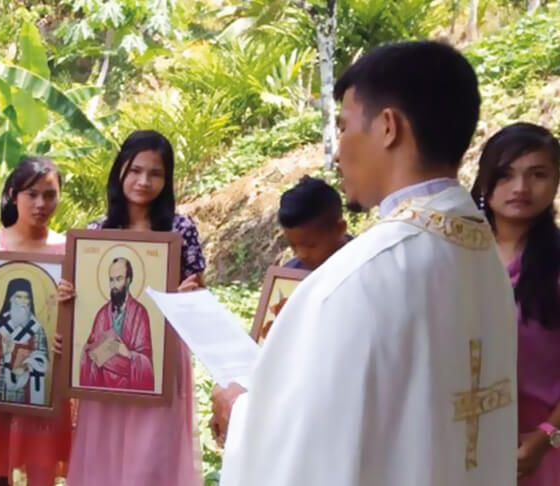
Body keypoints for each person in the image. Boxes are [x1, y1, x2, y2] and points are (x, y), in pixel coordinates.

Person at [212, 41, 518, 485]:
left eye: (344, 126)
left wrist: (238, 415)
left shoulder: (356, 280)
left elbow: (301, 458)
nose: (338, 152)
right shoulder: (482, 255)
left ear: (388, 127)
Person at [57, 130, 206, 486]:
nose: (144, 181)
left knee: (151, 455)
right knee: (103, 455)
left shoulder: (180, 229)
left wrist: (188, 295)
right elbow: (85, 320)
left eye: (155, 173)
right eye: (136, 170)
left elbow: (197, 290)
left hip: (159, 362)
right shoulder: (97, 233)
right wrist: (68, 297)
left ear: (167, 179)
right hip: (104, 378)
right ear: (120, 170)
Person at [0, 156, 72, 486]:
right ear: (13, 195)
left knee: (41, 472)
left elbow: (73, 323)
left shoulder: (67, 252)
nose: (41, 204)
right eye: (31, 194)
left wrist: (65, 330)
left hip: (44, 393)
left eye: (49, 195)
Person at [470, 122, 560, 485]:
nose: (521, 187)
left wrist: (548, 436)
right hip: (463, 444)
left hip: (541, 452)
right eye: (506, 174)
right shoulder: (456, 259)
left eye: (537, 174)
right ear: (484, 181)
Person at [79, 257, 154, 391]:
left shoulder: (139, 313)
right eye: (111, 280)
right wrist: (98, 350)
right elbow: (88, 352)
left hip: (129, 391)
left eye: (119, 279)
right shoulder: (102, 314)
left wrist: (128, 354)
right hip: (102, 389)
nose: (114, 285)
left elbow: (146, 362)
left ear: (128, 280)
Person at [0, 278, 49, 405]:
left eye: (27, 298)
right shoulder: (0, 325)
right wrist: (2, 351)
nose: (23, 302)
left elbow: (43, 360)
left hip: (25, 387)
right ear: (10, 299)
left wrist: (28, 360)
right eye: (19, 297)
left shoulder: (36, 328)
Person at [277, 176, 353, 270]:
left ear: (340, 229)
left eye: (310, 245)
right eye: (293, 245)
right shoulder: (290, 272)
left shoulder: (365, 262)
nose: (302, 255)